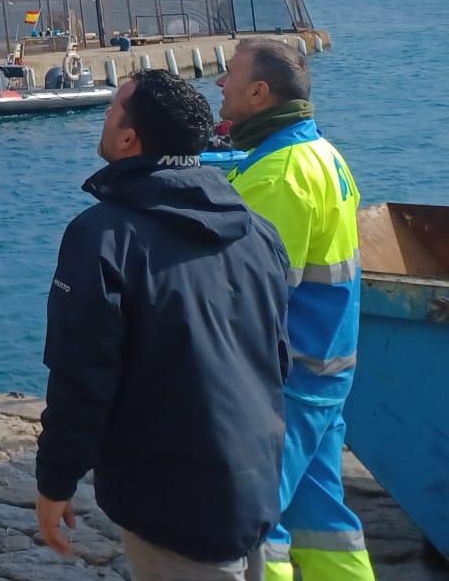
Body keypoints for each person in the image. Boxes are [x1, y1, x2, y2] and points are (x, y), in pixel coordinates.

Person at [37, 70, 289, 578]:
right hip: (257, 479)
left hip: (173, 498)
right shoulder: (260, 232)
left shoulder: (103, 236)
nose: (105, 118)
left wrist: (54, 482)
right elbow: (277, 358)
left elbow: (82, 376)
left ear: (129, 137)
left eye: (111, 110)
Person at [218, 39, 376, 581]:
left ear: (259, 92)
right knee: (322, 517)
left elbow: (254, 299)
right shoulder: (321, 154)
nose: (219, 83)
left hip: (286, 378)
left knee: (256, 524)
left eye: (229, 74)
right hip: (325, 364)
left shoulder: (279, 175)